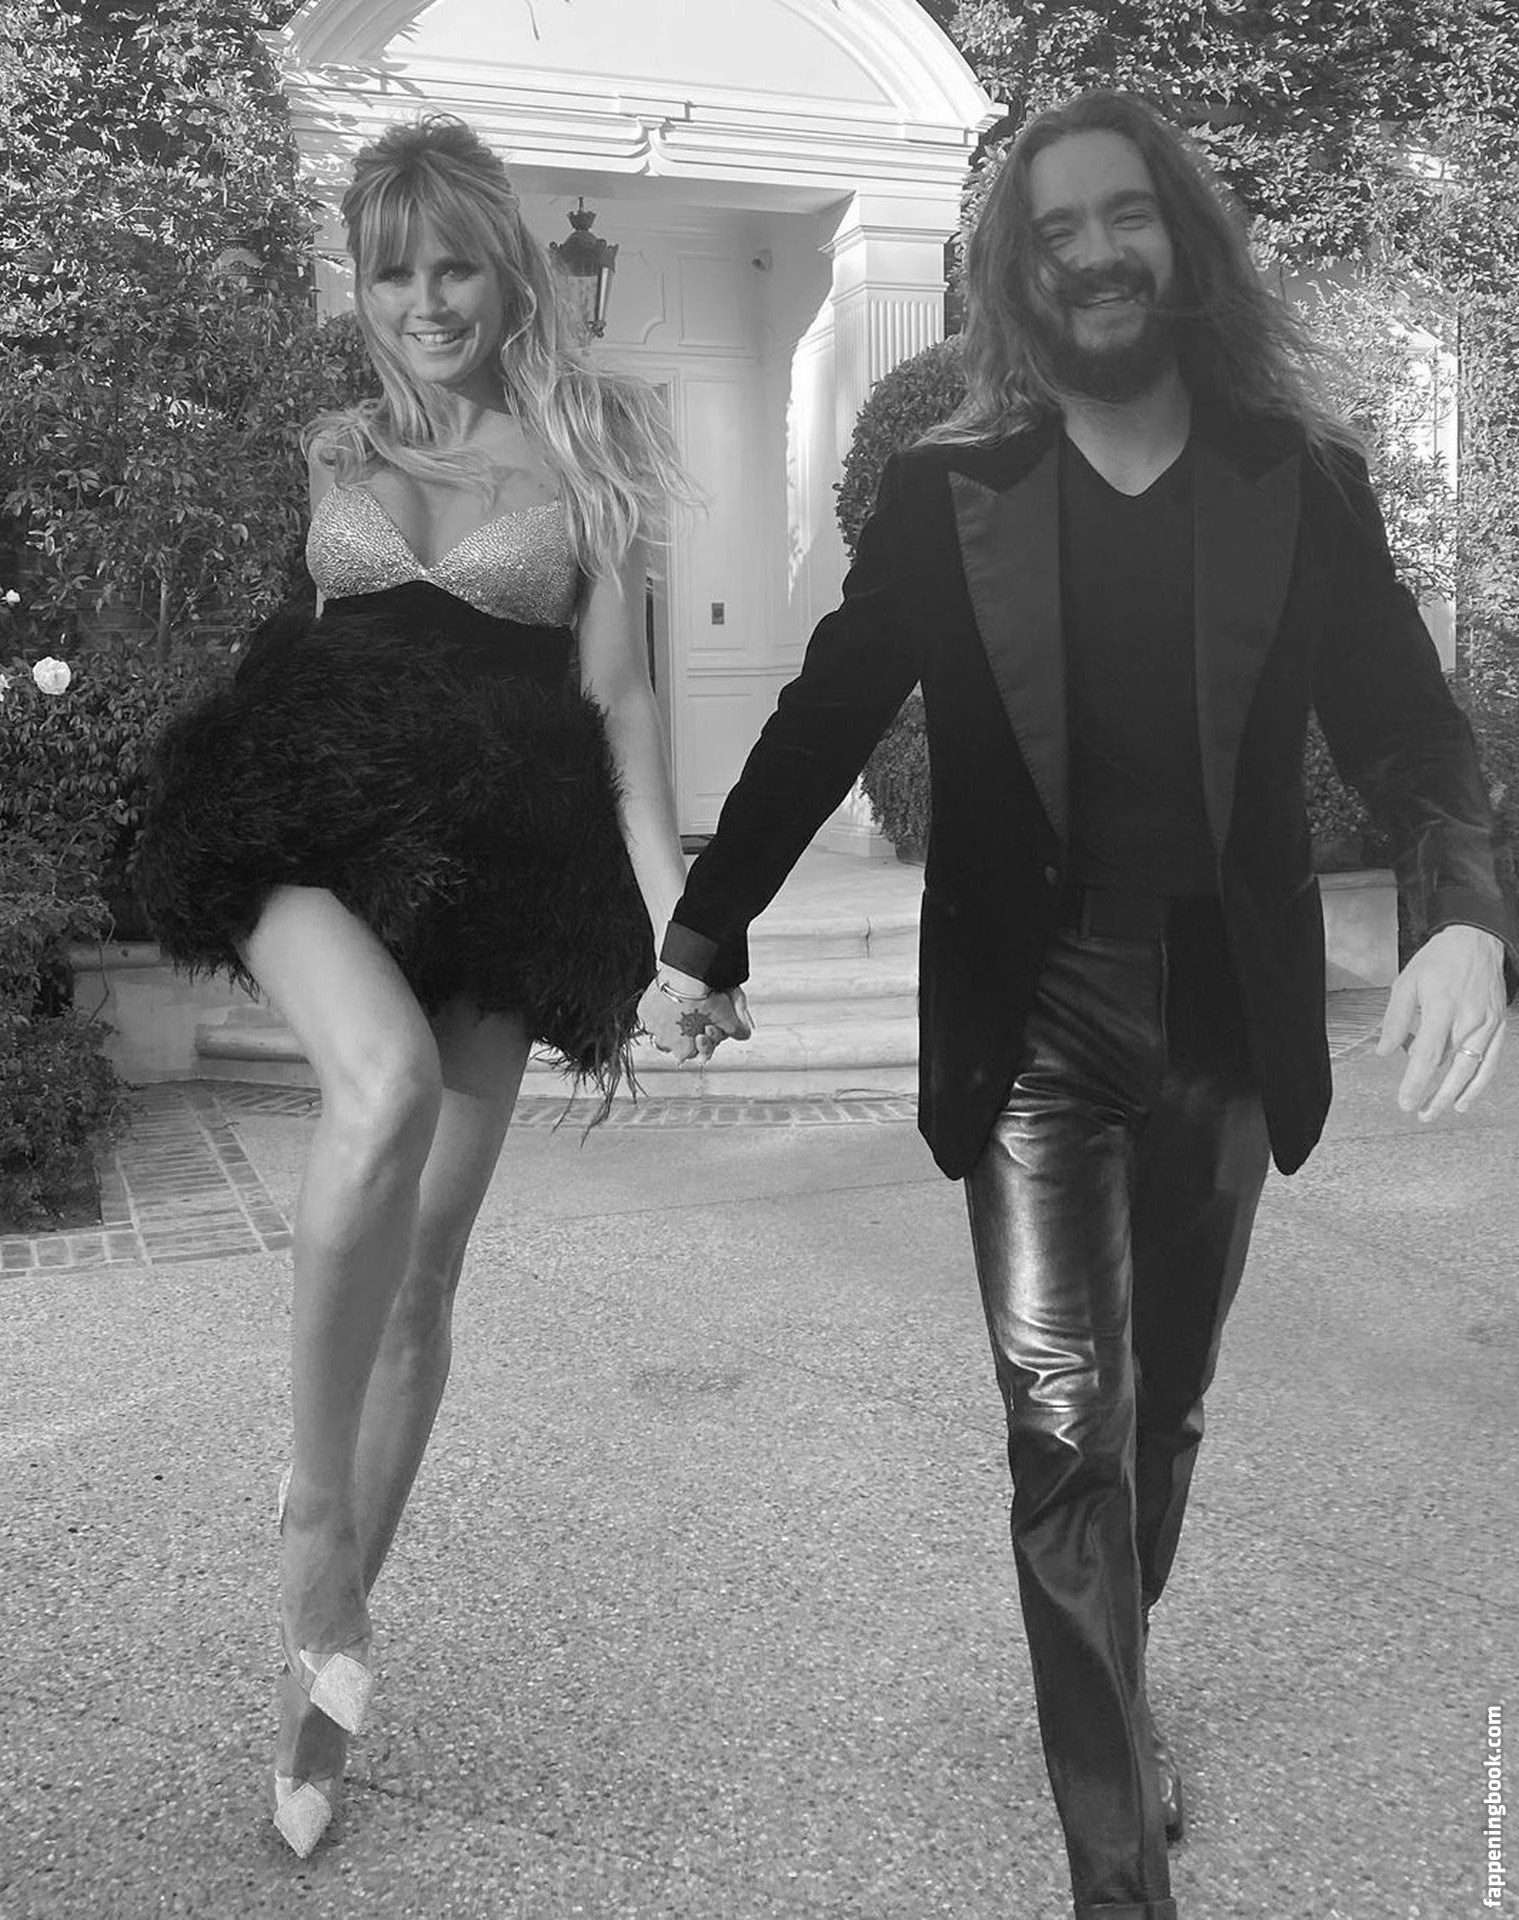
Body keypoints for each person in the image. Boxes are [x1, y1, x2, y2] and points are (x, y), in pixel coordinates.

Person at [640, 89, 1512, 1920]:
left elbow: (1408, 728)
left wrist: (1458, 916)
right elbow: (823, 711)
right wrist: (705, 933)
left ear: (1178, 235)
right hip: (1031, 1008)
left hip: (1221, 1008)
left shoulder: (1298, 475)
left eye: (1124, 215)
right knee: (1060, 1424)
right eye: (1054, 230)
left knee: (1159, 1410)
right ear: (1014, 273)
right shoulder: (948, 489)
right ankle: (1115, 1875)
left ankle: (1114, 1683)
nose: (1095, 252)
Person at [131, 114, 723, 1858]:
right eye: (393, 271)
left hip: (504, 859)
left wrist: (682, 923)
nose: (425, 301)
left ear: (507, 271)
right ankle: (314, 1515)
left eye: (455, 264)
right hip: (303, 817)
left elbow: (619, 708)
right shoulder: (334, 443)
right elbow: (296, 646)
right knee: (377, 1085)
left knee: (425, 1274)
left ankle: (319, 1683)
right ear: (364, 283)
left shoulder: (589, 454)